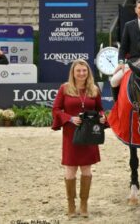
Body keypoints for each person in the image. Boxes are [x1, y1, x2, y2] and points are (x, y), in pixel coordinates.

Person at [51, 59, 107, 218]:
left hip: (89, 135)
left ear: (88, 72)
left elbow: (100, 110)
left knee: (87, 169)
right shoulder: (65, 88)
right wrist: (69, 118)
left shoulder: (94, 89)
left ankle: (83, 205)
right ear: (73, 73)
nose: (82, 73)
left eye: (84, 70)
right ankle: (71, 204)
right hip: (71, 134)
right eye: (78, 71)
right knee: (70, 170)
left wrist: (103, 118)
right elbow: (56, 109)